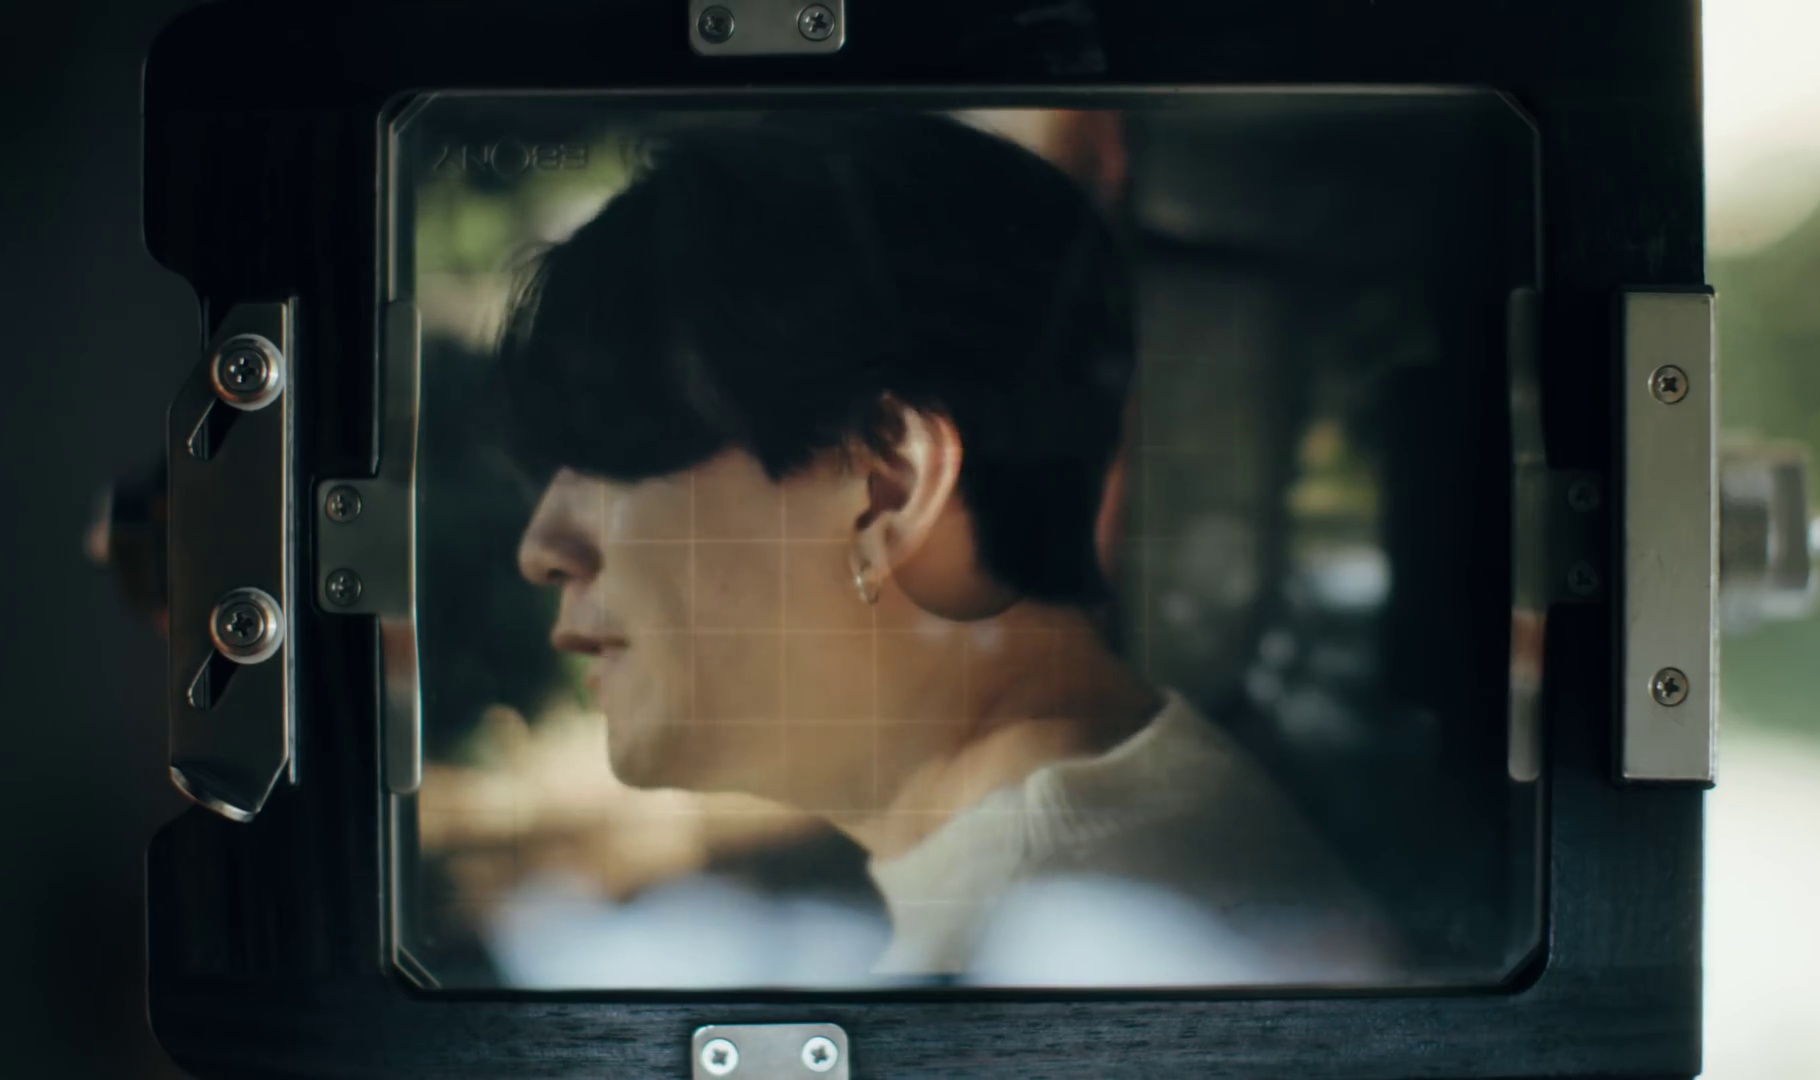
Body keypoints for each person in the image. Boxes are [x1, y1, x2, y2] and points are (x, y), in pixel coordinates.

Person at [507, 112, 1392, 984]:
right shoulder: (1144, 858)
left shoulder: (1033, 972)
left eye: (611, 455)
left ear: (886, 487)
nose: (543, 548)